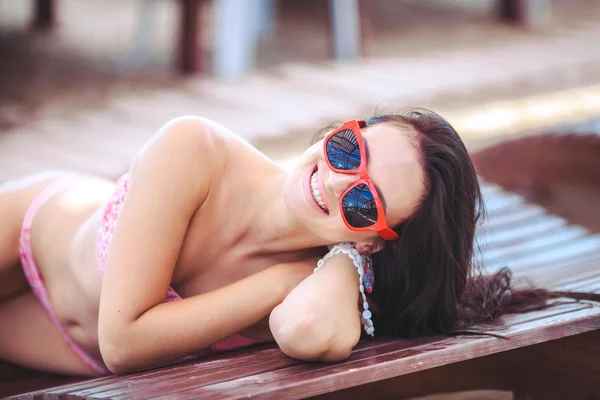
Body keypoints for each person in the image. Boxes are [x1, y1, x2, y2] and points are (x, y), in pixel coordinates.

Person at [0, 109, 545, 377]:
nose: (334, 180)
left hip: (58, 345)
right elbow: (122, 341)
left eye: (365, 203)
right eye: (348, 149)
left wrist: (340, 266)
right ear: (342, 128)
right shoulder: (195, 149)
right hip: (31, 229)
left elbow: (306, 330)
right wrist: (283, 280)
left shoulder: (329, 278)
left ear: (377, 243)